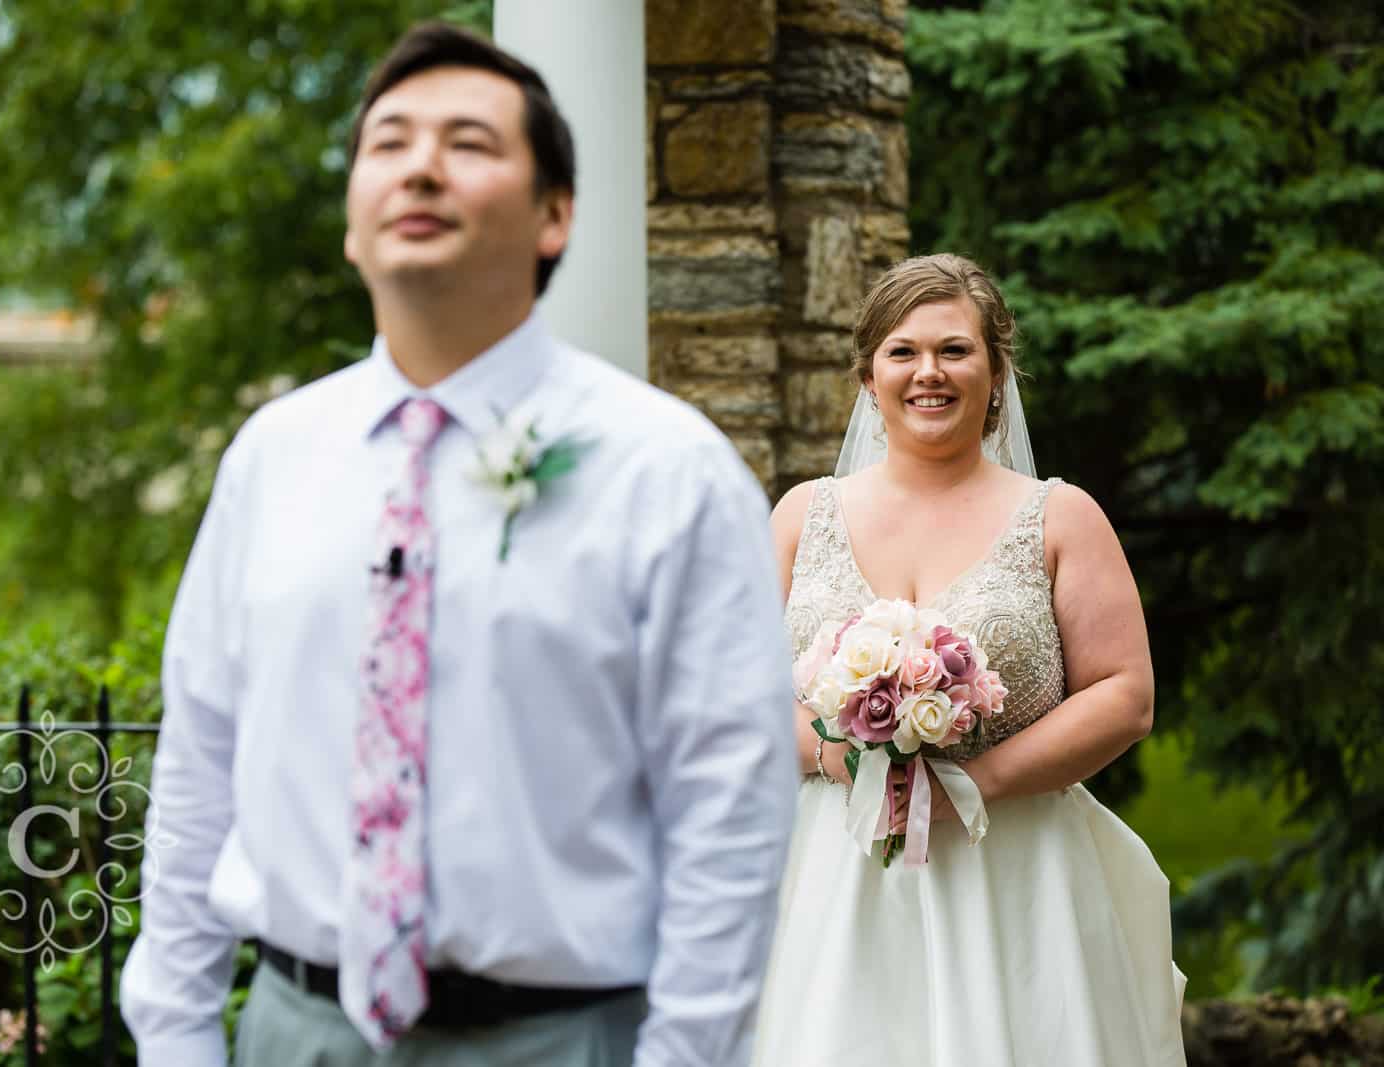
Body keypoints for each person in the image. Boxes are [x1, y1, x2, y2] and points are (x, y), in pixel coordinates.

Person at [118, 22, 799, 1067]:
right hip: (293, 1031)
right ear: (352, 219)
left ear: (554, 215)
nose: (421, 165)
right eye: (388, 142)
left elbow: (731, 804)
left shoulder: (667, 469)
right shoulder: (273, 456)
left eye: (470, 143)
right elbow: (202, 754)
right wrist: (176, 1033)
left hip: (563, 1035)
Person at [752, 253, 1188, 1066]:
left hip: (1015, 872)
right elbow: (735, 698)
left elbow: (1125, 694)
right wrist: (834, 752)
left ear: (995, 372)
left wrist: (975, 783)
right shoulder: (800, 516)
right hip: (833, 877)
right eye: (903, 351)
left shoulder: (1060, 517)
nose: (930, 372)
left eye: (955, 350)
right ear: (869, 374)